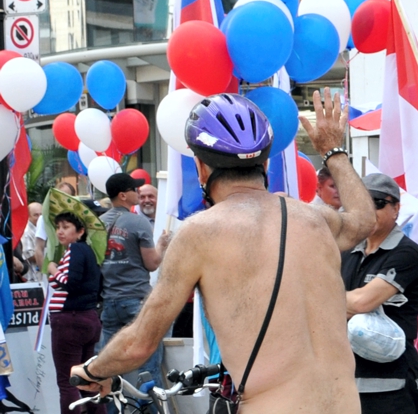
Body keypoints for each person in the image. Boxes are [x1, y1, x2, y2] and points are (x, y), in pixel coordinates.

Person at [72, 90, 377, 413]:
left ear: (201, 168)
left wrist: (92, 371)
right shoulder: (314, 219)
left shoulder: (198, 234)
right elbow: (364, 220)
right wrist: (333, 150)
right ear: (264, 162)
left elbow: (139, 343)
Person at [342, 173, 418, 414]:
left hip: (391, 384)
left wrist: (325, 300)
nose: (369, 210)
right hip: (348, 382)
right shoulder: (347, 252)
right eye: (361, 203)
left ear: (396, 208)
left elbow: (362, 302)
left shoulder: (407, 252)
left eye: (377, 202)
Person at [96, 173, 171, 386]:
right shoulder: (138, 222)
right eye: (133, 189)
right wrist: (162, 245)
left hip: (109, 300)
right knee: (148, 365)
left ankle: (110, 408)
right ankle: (147, 408)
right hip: (137, 299)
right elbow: (152, 263)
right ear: (122, 195)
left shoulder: (99, 222)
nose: (137, 193)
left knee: (107, 364)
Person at [48, 212, 105, 414]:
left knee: (68, 381)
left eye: (66, 227)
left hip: (69, 320)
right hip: (88, 318)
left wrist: (54, 270)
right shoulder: (88, 252)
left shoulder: (74, 250)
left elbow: (70, 282)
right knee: (87, 379)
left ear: (80, 231)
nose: (60, 231)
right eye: (58, 227)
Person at [21, 202, 43, 283]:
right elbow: (28, 255)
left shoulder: (42, 228)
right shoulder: (26, 232)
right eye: (36, 215)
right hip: (33, 278)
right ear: (29, 216)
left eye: (41, 214)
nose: (39, 217)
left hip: (41, 277)